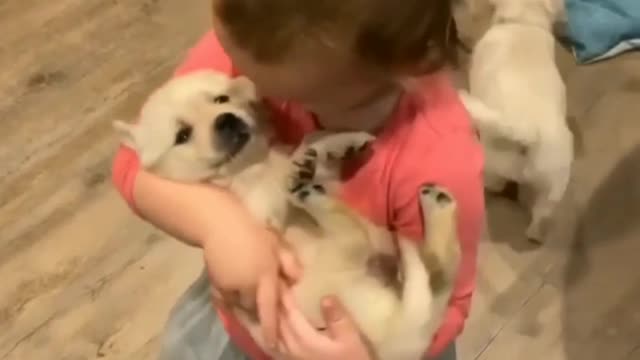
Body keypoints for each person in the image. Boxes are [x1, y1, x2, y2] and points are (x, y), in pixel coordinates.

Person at [111, 0, 485, 359]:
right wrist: (219, 225)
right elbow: (133, 161)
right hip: (251, 321)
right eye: (236, 84)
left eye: (267, 92)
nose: (247, 95)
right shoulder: (257, 38)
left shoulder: (437, 161)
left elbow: (450, 305)